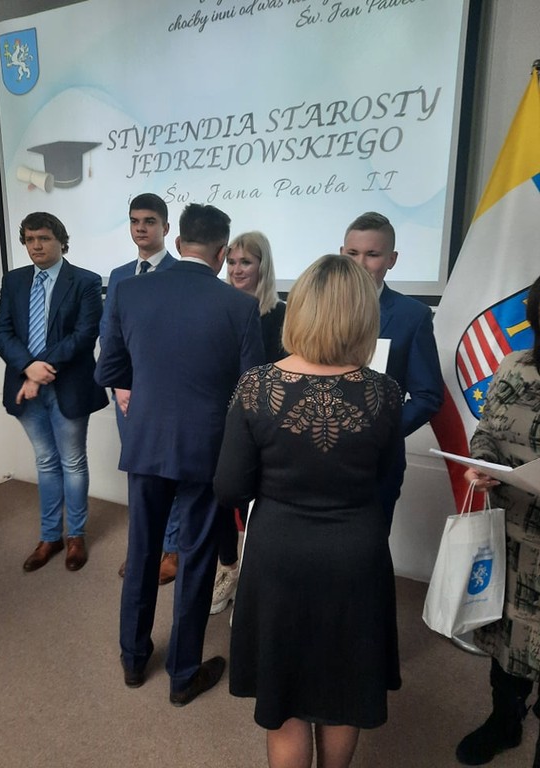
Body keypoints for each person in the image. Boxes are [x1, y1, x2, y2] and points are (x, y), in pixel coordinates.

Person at [214, 255, 404, 768]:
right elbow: (389, 482)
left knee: (285, 700)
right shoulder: (385, 393)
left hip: (278, 554)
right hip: (356, 553)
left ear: (299, 310)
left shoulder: (255, 386)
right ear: (363, 316)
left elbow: (230, 488)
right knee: (344, 691)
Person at [95, 203, 265, 704]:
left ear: (176, 239)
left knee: (142, 552)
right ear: (221, 252)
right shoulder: (239, 306)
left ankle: (132, 658)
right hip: (206, 450)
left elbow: (107, 372)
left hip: (145, 442)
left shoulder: (129, 291)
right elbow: (251, 393)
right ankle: (183, 674)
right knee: (196, 558)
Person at [454, 275, 540, 768]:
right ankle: (505, 722)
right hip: (511, 533)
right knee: (507, 642)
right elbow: (486, 430)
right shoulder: (514, 366)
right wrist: (482, 463)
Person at [0, 212, 108, 572]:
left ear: (60, 240)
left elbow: (84, 335)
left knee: (72, 461)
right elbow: (2, 333)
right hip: (25, 387)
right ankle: (49, 537)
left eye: (43, 238)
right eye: (29, 239)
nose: (36, 246)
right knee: (45, 461)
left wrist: (39, 371)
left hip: (69, 386)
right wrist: (28, 368)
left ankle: (75, 536)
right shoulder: (13, 281)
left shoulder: (85, 281)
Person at [341, 212, 443, 528]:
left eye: (372, 254)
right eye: (353, 253)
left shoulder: (413, 316)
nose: (360, 264)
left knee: (365, 550)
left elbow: (427, 395)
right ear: (341, 254)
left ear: (391, 259)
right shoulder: (315, 308)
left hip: (376, 465)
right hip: (312, 458)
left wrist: (383, 433)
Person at [101, 192, 179, 584]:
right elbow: (109, 334)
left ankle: (173, 548)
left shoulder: (181, 273)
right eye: (134, 221)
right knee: (139, 474)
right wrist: (118, 383)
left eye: (149, 221)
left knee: (171, 472)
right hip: (127, 394)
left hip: (168, 393)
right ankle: (143, 548)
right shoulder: (118, 275)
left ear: (165, 226)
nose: (141, 228)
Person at [211, 230, 286, 616]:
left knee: (263, 503)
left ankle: (256, 577)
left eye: (246, 262)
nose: (237, 269)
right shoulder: (217, 306)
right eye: (232, 261)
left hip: (267, 424)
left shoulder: (281, 314)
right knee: (222, 496)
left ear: (262, 266)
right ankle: (228, 566)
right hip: (223, 420)